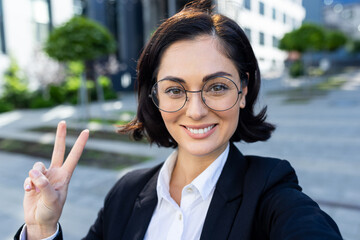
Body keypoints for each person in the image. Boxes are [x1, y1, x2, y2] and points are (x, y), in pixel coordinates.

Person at [15, 1, 343, 239]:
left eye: (216, 87)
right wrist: (42, 229)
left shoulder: (270, 188)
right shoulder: (126, 193)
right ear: (154, 97)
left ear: (243, 91)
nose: (196, 110)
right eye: (175, 90)